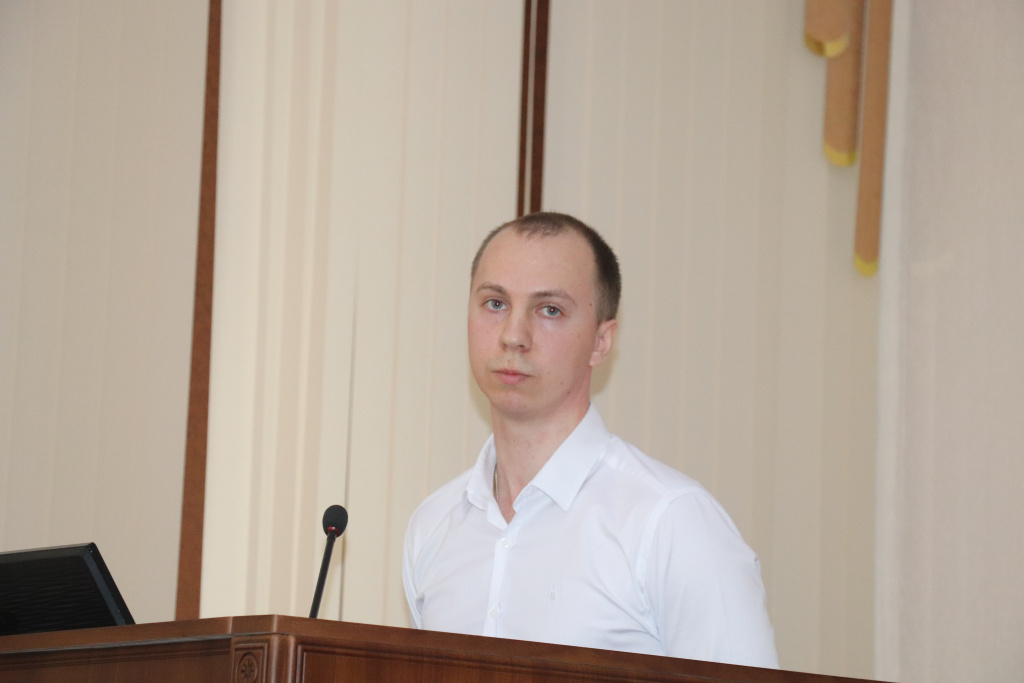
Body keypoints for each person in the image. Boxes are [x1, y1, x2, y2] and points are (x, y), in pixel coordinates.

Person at [402, 212, 778, 668]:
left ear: (602, 341)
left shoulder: (671, 523)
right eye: (495, 303)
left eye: (550, 310)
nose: (513, 336)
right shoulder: (432, 526)